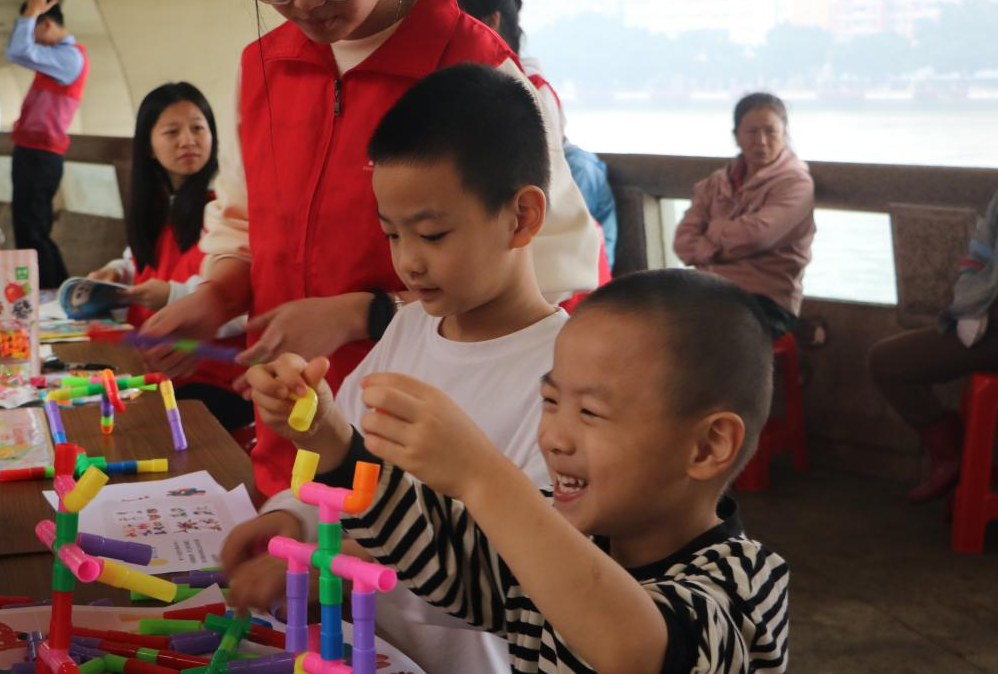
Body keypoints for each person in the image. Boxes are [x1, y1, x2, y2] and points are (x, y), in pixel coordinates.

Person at [141, 0, 601, 499]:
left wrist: (370, 314)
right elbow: (242, 217)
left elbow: (554, 274)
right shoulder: (264, 67)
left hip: (421, 455)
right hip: (289, 429)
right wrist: (217, 296)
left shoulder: (479, 74)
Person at [248, 268, 790, 673]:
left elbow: (634, 651)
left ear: (707, 446)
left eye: (590, 412)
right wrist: (330, 438)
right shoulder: (562, 537)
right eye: (550, 401)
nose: (553, 436)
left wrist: (483, 475)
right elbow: (441, 549)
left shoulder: (745, 586)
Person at [222, 64, 566, 673]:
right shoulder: (408, 328)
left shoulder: (566, 379)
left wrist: (321, 564)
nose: (408, 262)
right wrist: (291, 516)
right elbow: (344, 475)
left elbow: (515, 571)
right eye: (391, 234)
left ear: (522, 217)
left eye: (431, 235)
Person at [869, 106, 998, 508]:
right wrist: (970, 309)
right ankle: (950, 453)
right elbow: (976, 263)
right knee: (888, 361)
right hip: (991, 324)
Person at [86, 83, 251, 432]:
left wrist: (172, 295)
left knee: (130, 426)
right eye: (172, 131)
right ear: (148, 145)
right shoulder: (158, 206)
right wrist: (117, 272)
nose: (188, 140)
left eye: (198, 127)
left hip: (215, 374)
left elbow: (247, 300)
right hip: (157, 366)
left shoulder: (226, 208)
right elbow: (142, 259)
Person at [450, 0, 618, 269]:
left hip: (570, 180)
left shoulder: (528, 88)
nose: (448, 34)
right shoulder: (493, 83)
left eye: (458, 22)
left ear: (491, 21)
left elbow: (541, 170)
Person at [673, 92, 815, 339]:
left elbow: (757, 236)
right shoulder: (717, 182)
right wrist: (726, 245)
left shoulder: (796, 184)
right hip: (708, 289)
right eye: (752, 131)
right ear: (736, 136)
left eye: (770, 131)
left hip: (767, 298)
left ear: (784, 133)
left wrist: (713, 231)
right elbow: (683, 242)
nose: (761, 141)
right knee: (655, 325)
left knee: (708, 336)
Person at [4, 0, 89, 289]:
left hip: (41, 156)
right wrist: (30, 18)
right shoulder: (56, 58)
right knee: (30, 230)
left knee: (33, 233)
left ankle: (53, 292)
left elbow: (17, 51)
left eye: (33, 29)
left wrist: (30, 14)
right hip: (33, 152)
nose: (32, 39)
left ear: (47, 24)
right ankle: (58, 290)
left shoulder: (69, 57)